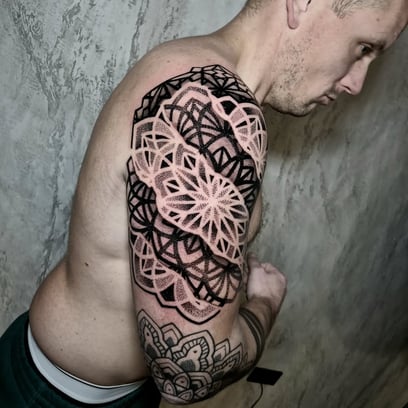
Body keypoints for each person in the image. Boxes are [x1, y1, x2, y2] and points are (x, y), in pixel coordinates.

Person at [0, 0, 407, 406]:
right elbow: (187, 374)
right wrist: (265, 305)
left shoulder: (207, 80)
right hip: (53, 395)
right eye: (364, 48)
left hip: (115, 390)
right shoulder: (206, 107)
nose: (357, 84)